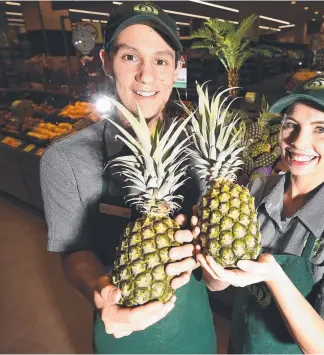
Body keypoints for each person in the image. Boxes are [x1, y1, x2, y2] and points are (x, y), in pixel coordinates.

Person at [40, 3, 216, 354]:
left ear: (177, 68)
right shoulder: (64, 158)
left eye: (161, 61)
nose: (147, 77)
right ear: (107, 61)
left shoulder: (202, 151)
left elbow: (214, 276)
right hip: (120, 328)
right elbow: (74, 252)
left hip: (196, 328)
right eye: (130, 57)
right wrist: (100, 291)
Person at [197, 76, 324, 354]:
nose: (299, 142)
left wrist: (275, 276)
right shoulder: (253, 192)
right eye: (291, 125)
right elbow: (216, 285)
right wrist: (213, 258)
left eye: (321, 129)